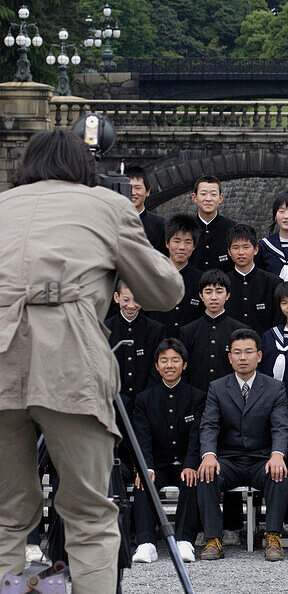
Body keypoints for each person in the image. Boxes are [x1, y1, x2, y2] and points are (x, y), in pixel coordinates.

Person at [0, 129, 184, 593]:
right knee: (88, 511)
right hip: (68, 362)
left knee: (5, 514)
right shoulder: (107, 206)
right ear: (84, 169)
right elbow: (165, 291)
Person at [197, 328, 288, 562]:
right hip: (229, 460)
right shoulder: (218, 387)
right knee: (206, 474)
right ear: (229, 357)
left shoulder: (274, 387)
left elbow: (280, 426)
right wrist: (208, 454)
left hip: (262, 460)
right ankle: (212, 539)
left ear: (259, 356)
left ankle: (273, 536)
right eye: (237, 353)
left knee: (279, 473)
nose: (242, 357)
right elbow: (209, 424)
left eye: (248, 352)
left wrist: (277, 454)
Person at [131, 338, 205, 565]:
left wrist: (192, 463)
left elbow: (197, 437)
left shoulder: (197, 396)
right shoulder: (144, 399)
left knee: (193, 479)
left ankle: (185, 540)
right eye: (164, 360)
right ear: (156, 366)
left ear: (184, 364)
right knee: (143, 480)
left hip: (185, 461)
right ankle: (146, 543)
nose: (169, 365)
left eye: (175, 360)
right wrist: (146, 467)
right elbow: (142, 437)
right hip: (159, 463)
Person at [180, 269, 249, 393]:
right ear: (201, 296)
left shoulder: (241, 330)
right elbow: (184, 370)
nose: (213, 297)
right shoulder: (188, 331)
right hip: (197, 396)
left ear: (227, 295)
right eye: (208, 292)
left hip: (231, 395)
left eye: (219, 291)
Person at [105, 279, 166, 407]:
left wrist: (146, 396)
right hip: (114, 401)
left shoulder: (155, 329)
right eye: (126, 300)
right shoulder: (106, 329)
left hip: (147, 401)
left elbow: (159, 366)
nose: (131, 306)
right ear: (116, 297)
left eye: (136, 299)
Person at [148, 213, 205, 338]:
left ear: (194, 246)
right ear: (167, 243)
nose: (182, 247)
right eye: (176, 241)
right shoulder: (152, 276)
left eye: (188, 242)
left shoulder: (201, 280)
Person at [225, 223, 281, 335]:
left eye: (246, 247)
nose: (241, 252)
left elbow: (278, 322)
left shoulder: (273, 283)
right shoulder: (222, 283)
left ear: (255, 249)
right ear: (229, 252)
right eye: (235, 247)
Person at [189, 176, 236, 273]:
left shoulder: (232, 228)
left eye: (213, 194)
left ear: (220, 198)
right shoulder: (186, 227)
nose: (208, 199)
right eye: (203, 194)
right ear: (194, 197)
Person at [126, 165, 167, 256]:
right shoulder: (113, 221)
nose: (133, 193)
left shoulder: (161, 225)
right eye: (129, 188)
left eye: (138, 188)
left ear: (147, 192)